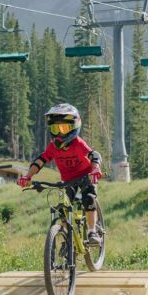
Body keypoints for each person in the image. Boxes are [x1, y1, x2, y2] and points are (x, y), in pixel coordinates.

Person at [18, 103, 103, 245]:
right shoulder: (52, 147)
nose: (59, 133)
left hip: (85, 176)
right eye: (55, 128)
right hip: (67, 180)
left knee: (88, 199)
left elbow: (94, 155)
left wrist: (95, 169)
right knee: (63, 209)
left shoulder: (78, 143)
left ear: (74, 127)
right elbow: (40, 161)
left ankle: (92, 231)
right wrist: (28, 176)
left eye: (64, 128)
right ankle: (65, 236)